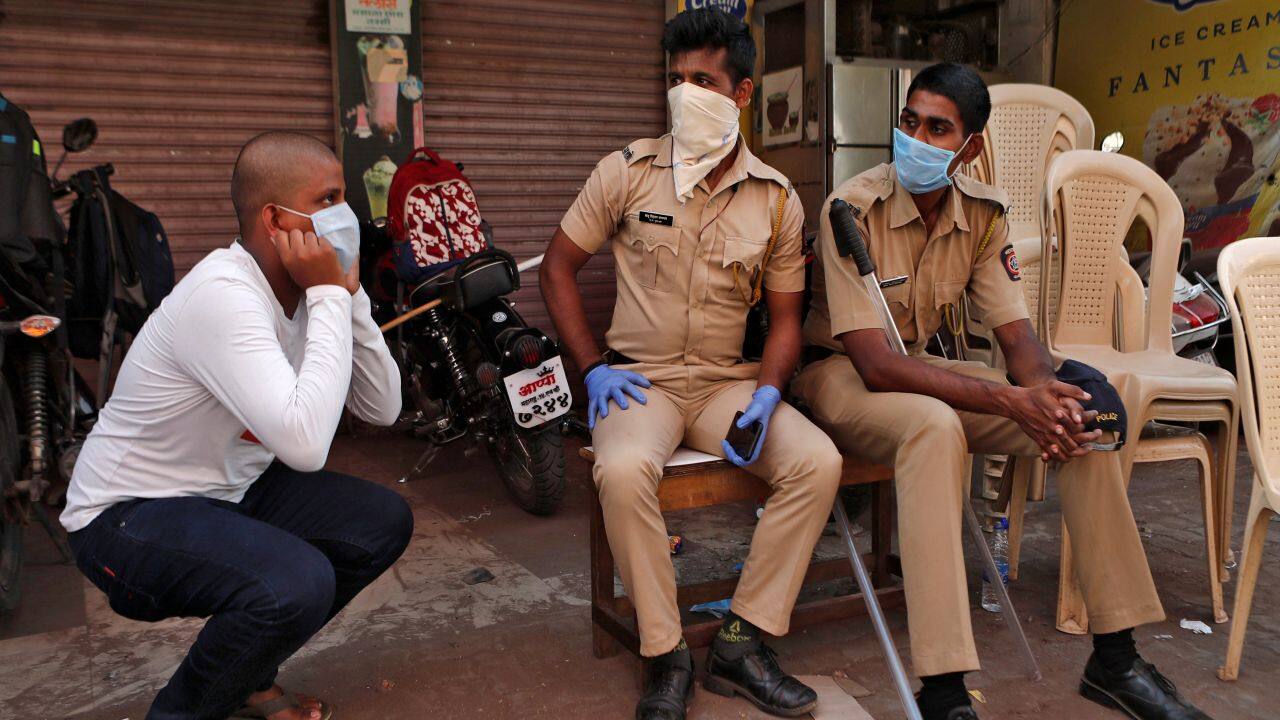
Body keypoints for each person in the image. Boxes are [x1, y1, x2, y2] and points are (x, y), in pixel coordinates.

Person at [793, 62, 1212, 720]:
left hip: (926, 369)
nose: (917, 138)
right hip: (840, 374)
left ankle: (1116, 658)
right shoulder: (852, 207)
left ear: (971, 147)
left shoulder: (983, 216)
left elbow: (1017, 342)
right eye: (910, 121)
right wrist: (1008, 400)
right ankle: (945, 687)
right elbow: (875, 366)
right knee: (933, 427)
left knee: (1082, 420)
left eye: (938, 128)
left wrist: (1045, 393)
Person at [539, 8, 842, 720]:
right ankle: (664, 654)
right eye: (675, 80)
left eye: (702, 81)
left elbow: (788, 318)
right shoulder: (626, 171)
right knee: (619, 471)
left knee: (816, 462)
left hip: (724, 387)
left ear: (741, 94)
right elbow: (557, 268)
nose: (684, 95)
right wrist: (590, 369)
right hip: (637, 382)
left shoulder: (775, 199)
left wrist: (769, 395)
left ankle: (741, 641)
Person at [59, 131, 413, 720]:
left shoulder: (307, 294)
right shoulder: (224, 295)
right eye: (328, 199)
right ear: (276, 218)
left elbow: (383, 409)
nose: (346, 216)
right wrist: (328, 292)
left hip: (229, 493)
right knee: (296, 582)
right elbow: (305, 446)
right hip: (126, 515)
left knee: (378, 522)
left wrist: (347, 299)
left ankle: (247, 672)